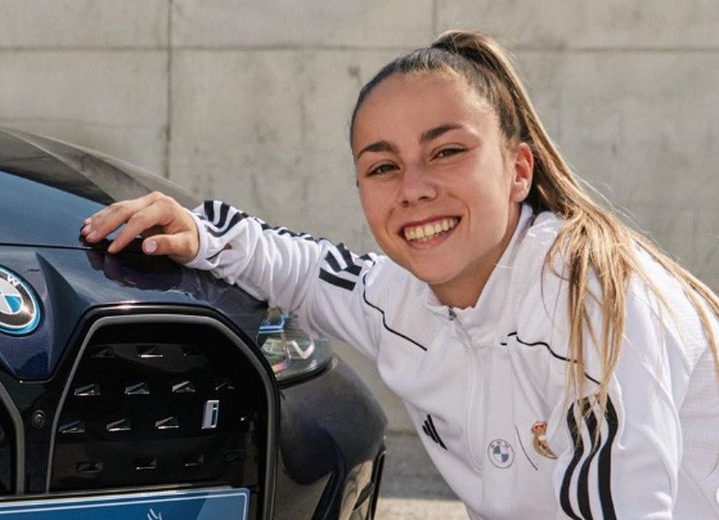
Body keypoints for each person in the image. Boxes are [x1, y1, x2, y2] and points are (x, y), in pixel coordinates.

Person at [81, 30, 719, 519]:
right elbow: (304, 268)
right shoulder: (406, 300)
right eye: (383, 167)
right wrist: (201, 233)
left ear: (518, 170)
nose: (414, 189)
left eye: (447, 152)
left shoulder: (595, 297)